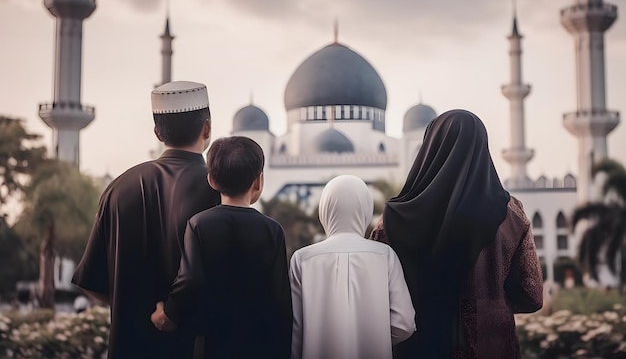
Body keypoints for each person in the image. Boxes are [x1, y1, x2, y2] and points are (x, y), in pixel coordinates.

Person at [370, 109, 543, 359]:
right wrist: (491, 301)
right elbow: (532, 295)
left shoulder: (395, 218)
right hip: (490, 346)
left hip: (418, 347)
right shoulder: (512, 214)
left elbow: (377, 290)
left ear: (430, 148)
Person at [72, 81, 221, 359]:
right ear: (207, 128)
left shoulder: (119, 188)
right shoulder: (218, 189)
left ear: (157, 132)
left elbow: (91, 280)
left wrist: (135, 306)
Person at [151, 136, 293, 359]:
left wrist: (168, 315)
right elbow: (281, 300)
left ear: (211, 180)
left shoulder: (199, 224)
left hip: (211, 344)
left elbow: (189, 280)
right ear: (259, 181)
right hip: (259, 346)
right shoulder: (272, 230)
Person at [290, 175, 416, 359]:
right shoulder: (385, 256)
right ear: (365, 209)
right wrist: (373, 337)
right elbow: (404, 324)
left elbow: (295, 331)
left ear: (324, 210)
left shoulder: (302, 259)